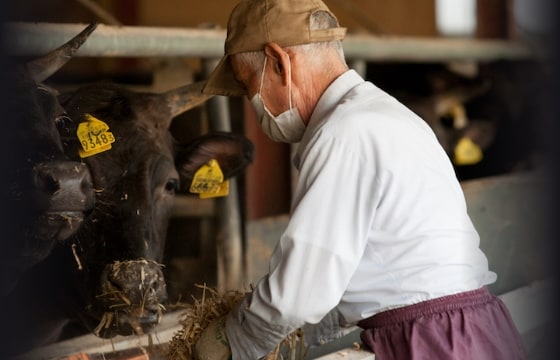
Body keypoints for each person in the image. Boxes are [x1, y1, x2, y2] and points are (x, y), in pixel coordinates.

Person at [195, 0, 527, 359]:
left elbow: (300, 292)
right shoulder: (389, 116)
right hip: (473, 330)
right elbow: (371, 268)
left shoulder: (343, 133)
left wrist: (231, 340)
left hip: (431, 339)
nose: (254, 103)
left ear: (279, 63)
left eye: (249, 87)